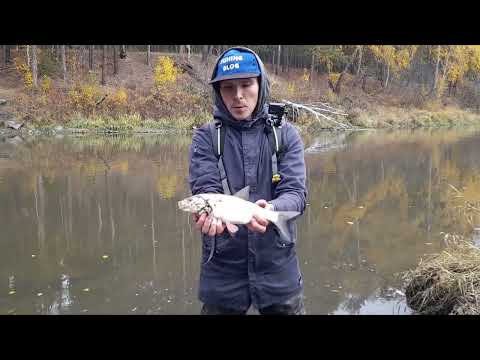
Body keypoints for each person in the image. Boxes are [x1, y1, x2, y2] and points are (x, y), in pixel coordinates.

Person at [188, 47, 307, 315]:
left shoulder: (286, 136)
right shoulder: (205, 138)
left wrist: (272, 211)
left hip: (279, 270)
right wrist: (209, 221)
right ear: (218, 91)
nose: (238, 95)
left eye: (246, 84)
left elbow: (296, 195)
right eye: (228, 87)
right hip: (222, 273)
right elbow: (205, 188)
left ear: (260, 84)